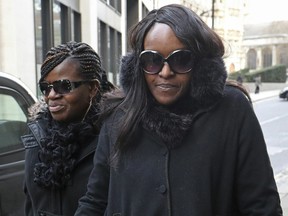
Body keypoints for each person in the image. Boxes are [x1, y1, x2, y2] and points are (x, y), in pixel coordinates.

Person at [75, 4, 282, 216]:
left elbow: (262, 205)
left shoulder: (232, 110)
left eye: (180, 59)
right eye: (152, 60)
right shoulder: (118, 115)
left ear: (201, 64)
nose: (165, 72)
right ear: (138, 65)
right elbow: (95, 201)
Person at [21, 41, 115, 216]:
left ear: (93, 88)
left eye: (64, 86)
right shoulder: (36, 133)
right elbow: (30, 203)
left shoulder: (112, 137)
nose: (52, 95)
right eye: (45, 88)